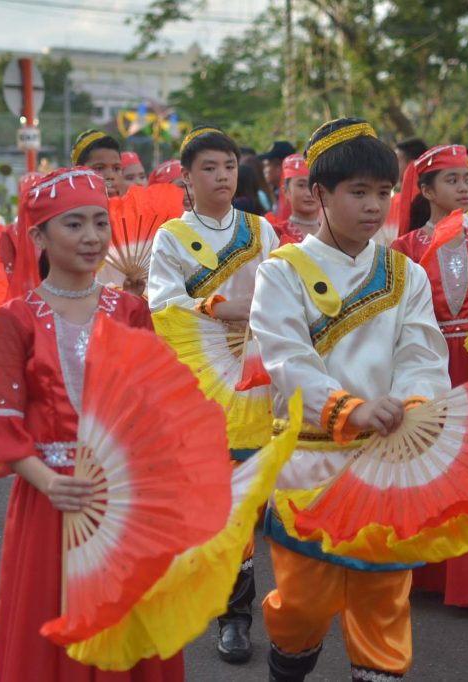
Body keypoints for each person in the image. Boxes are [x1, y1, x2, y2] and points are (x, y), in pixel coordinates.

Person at [0, 167, 183, 682]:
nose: (92, 238)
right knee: (58, 630)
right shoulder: (16, 319)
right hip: (52, 499)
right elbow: (0, 420)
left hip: (125, 497)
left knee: (126, 626)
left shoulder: (129, 310)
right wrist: (51, 482)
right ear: (37, 236)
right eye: (74, 225)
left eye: (101, 224)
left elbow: (152, 411)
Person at [250, 117, 451, 682]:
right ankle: (289, 657)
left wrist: (414, 405)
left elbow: (423, 352)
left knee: (383, 598)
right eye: (358, 192)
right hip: (309, 461)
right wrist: (349, 407)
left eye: (383, 193)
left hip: (387, 459)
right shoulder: (281, 272)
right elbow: (287, 360)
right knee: (304, 605)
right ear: (320, 195)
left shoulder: (403, 272)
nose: (373, 206)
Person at [147, 125, 279, 664]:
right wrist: (218, 309)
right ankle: (221, 603)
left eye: (228, 166)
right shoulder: (171, 238)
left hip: (251, 375)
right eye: (209, 168)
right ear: (186, 177)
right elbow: (163, 306)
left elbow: (279, 291)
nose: (221, 175)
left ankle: (235, 608)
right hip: (200, 379)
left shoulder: (260, 229)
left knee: (244, 500)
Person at [392, 144, 468, 612]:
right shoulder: (404, 249)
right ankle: (437, 571)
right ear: (425, 190)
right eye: (453, 181)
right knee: (436, 464)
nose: (465, 188)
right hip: (429, 362)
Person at [271, 154, 320, 245]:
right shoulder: (276, 233)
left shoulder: (334, 232)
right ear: (285, 191)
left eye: (313, 185)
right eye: (301, 185)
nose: (309, 193)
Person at [70, 129, 123, 198]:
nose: (110, 176)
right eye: (99, 168)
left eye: (116, 168)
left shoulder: (133, 207)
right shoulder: (70, 207)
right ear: (79, 172)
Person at [259, 140, 297, 221]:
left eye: (267, 165)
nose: (264, 170)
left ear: (279, 167)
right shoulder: (277, 192)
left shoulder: (292, 195)